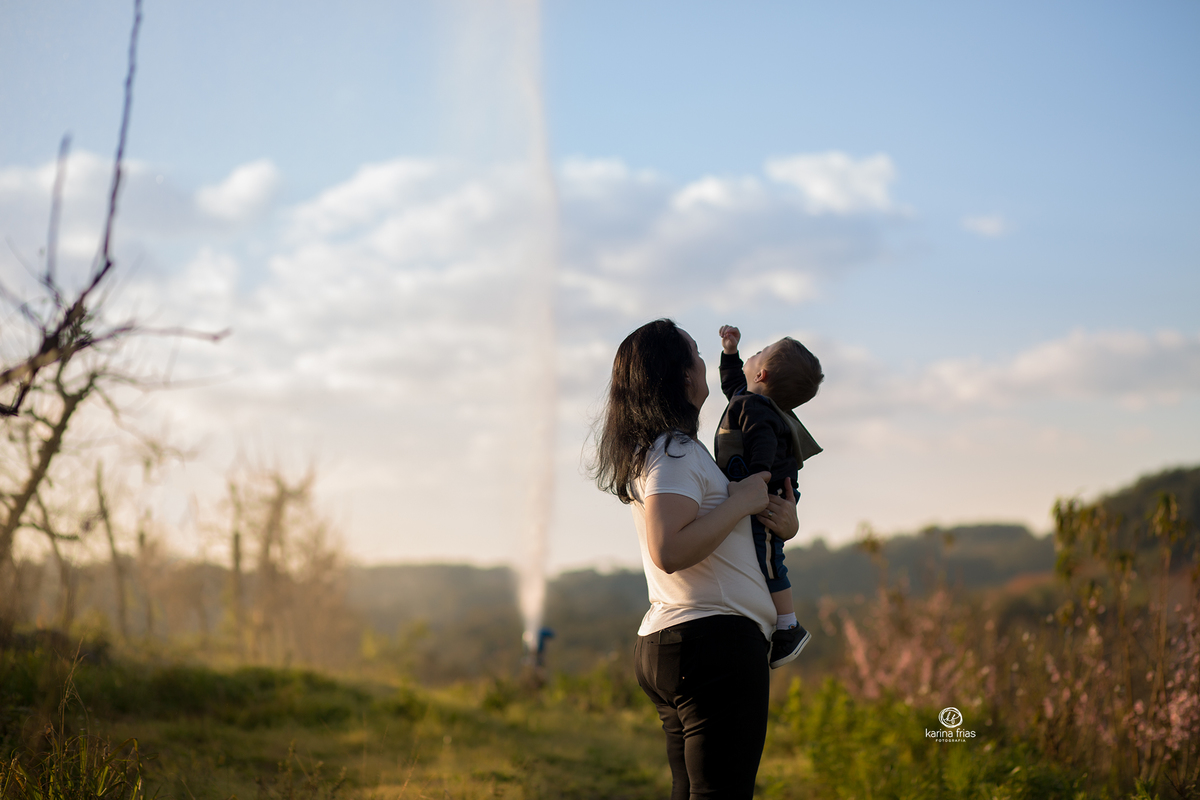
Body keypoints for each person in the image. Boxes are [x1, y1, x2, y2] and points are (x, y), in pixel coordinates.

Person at [592, 318, 798, 800]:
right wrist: (742, 501)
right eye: (697, 354)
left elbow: (724, 533)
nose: (707, 361)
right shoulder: (675, 452)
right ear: (683, 376)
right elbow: (670, 549)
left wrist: (780, 521)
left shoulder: (672, 451)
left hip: (691, 642)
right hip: (713, 644)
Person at [714, 325, 824, 669]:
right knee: (766, 554)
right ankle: (782, 621)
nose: (753, 351)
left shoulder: (758, 411)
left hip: (768, 492)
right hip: (761, 489)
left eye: (759, 350)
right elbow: (732, 385)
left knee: (769, 558)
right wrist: (730, 352)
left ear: (760, 373)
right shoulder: (748, 401)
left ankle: (788, 626)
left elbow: (763, 442)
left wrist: (758, 476)